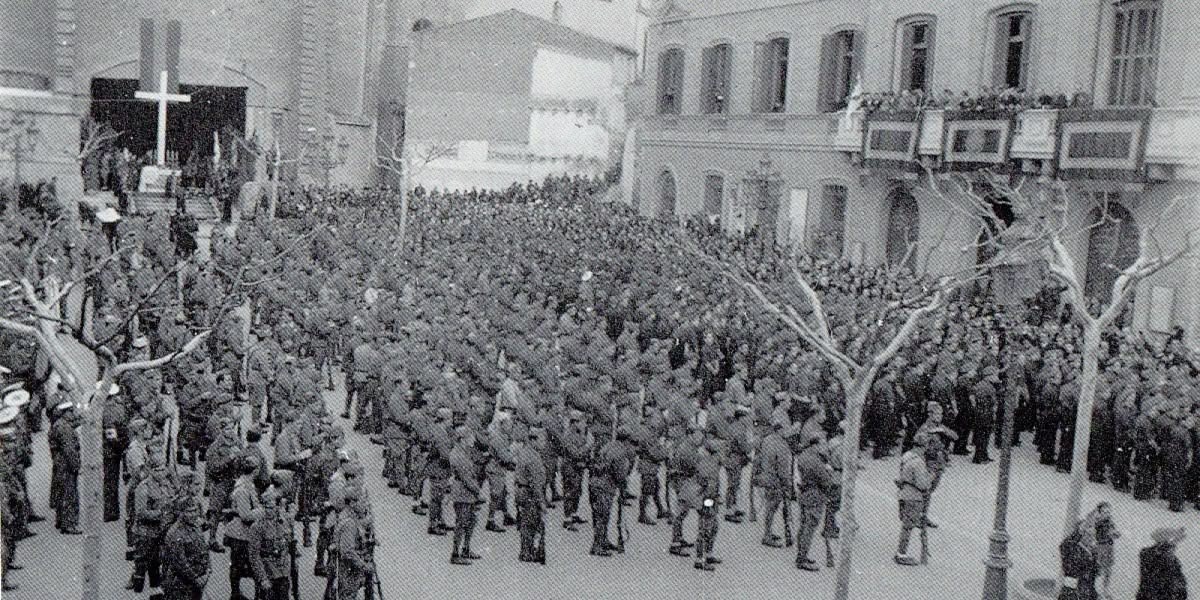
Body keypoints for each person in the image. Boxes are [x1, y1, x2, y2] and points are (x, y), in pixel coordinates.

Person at [226, 456, 264, 600]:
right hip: (241, 534)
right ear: (255, 470)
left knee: (240, 565)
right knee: (241, 565)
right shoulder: (243, 488)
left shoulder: (247, 484)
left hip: (243, 533)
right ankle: (235, 594)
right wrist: (263, 511)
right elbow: (245, 515)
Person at [894, 436, 934, 566]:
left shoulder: (906, 456)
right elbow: (922, 484)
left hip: (903, 493)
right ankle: (901, 554)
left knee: (906, 524)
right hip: (914, 496)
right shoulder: (918, 462)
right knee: (908, 526)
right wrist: (930, 477)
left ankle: (901, 552)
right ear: (923, 446)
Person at [160, 497, 210, 600]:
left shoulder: (196, 525)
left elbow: (204, 548)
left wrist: (208, 568)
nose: (194, 514)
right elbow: (181, 562)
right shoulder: (175, 533)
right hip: (180, 584)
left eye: (195, 510)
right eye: (189, 511)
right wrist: (197, 579)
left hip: (198, 578)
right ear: (181, 513)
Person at [248, 487, 292, 600]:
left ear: (277, 507)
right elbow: (254, 555)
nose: (268, 511)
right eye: (266, 507)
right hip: (268, 572)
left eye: (271, 507)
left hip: (283, 573)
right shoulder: (257, 527)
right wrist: (263, 578)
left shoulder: (284, 523)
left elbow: (288, 546)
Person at [448, 426, 482, 565]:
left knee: (471, 520)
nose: (473, 439)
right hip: (463, 492)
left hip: (466, 492)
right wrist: (477, 490)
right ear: (462, 439)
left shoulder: (463, 452)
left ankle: (466, 548)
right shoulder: (458, 455)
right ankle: (455, 553)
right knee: (462, 522)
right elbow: (466, 478)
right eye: (470, 437)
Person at [514, 425, 547, 563]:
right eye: (542, 440)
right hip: (529, 493)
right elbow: (536, 484)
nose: (544, 443)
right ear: (534, 440)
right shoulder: (533, 458)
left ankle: (526, 550)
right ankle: (527, 552)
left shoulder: (526, 452)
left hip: (522, 491)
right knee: (532, 522)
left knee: (526, 521)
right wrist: (541, 502)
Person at [49, 401, 82, 534]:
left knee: (61, 492)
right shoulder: (65, 428)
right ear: (65, 413)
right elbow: (70, 450)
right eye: (71, 411)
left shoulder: (59, 425)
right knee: (69, 494)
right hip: (65, 465)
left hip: (59, 464)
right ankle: (69, 524)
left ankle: (61, 520)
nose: (73, 414)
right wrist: (76, 466)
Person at [1136, 527, 1188, 600]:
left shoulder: (1148, 554)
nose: (1174, 548)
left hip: (1150, 594)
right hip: (1160, 595)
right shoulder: (1165, 559)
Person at [1059, 517, 1099, 600]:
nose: (1092, 538)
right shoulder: (1071, 549)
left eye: (1093, 535)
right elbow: (1065, 544)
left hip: (1087, 593)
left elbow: (1093, 576)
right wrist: (1079, 531)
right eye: (1088, 534)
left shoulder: (1092, 552)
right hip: (1071, 593)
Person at [1091, 502, 1120, 599]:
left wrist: (1115, 534)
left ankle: (1105, 590)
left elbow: (1114, 532)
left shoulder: (1110, 522)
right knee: (1098, 569)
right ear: (1100, 512)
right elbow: (1094, 532)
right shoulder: (1096, 521)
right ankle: (1094, 589)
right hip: (1100, 547)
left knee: (1108, 570)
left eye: (1109, 511)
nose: (1107, 513)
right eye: (1105, 511)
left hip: (1109, 546)